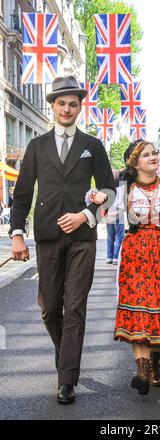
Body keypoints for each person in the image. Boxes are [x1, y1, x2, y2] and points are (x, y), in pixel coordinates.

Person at [10, 76, 115, 404]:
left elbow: (110, 191)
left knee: (75, 307)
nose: (67, 108)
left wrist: (86, 215)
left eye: (73, 103)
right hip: (47, 236)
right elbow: (23, 193)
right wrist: (16, 235)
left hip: (83, 237)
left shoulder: (92, 145)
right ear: (53, 106)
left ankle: (67, 377)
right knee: (49, 307)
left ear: (79, 107)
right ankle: (65, 352)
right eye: (61, 103)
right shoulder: (36, 146)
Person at [90, 140, 160, 396]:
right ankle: (142, 370)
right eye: (146, 154)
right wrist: (98, 200)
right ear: (135, 161)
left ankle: (155, 365)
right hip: (136, 256)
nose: (153, 157)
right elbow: (108, 217)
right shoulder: (124, 189)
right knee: (139, 308)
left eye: (154, 153)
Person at [106, 169, 125, 264]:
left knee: (110, 236)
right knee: (119, 235)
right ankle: (116, 257)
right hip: (119, 211)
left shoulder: (107, 186)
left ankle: (109, 257)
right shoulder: (122, 185)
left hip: (109, 211)